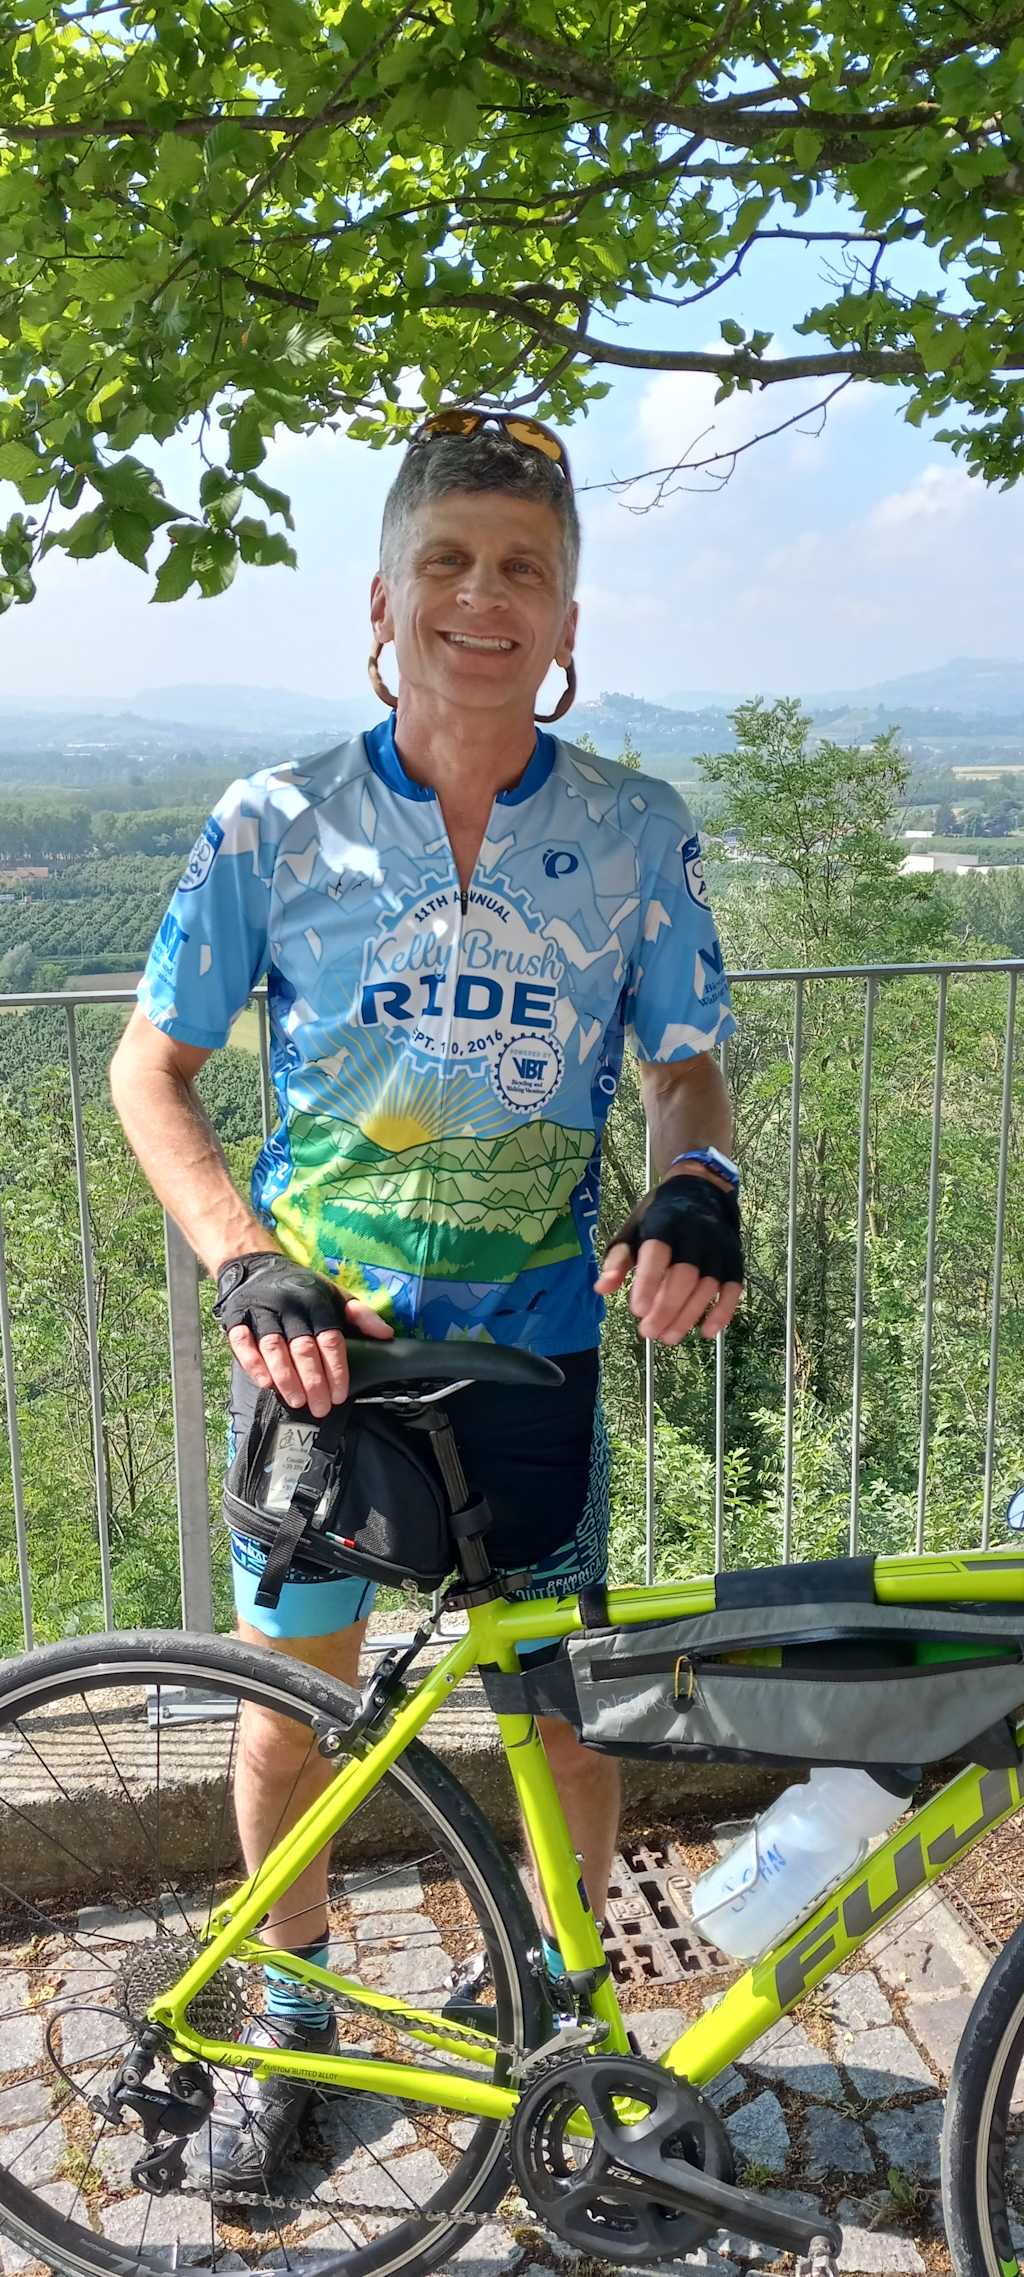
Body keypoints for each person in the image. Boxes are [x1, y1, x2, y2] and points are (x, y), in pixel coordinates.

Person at [109, 407, 743, 2190]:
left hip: (533, 1360)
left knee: (563, 1700)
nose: (485, 595)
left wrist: (697, 1182)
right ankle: (284, 2010)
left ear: (567, 618)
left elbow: (685, 1072)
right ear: (382, 603)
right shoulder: (274, 823)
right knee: (294, 1696)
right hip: (325, 1362)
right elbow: (148, 1073)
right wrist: (246, 1249)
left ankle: (563, 2000)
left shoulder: (637, 831)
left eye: (522, 568)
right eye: (447, 562)